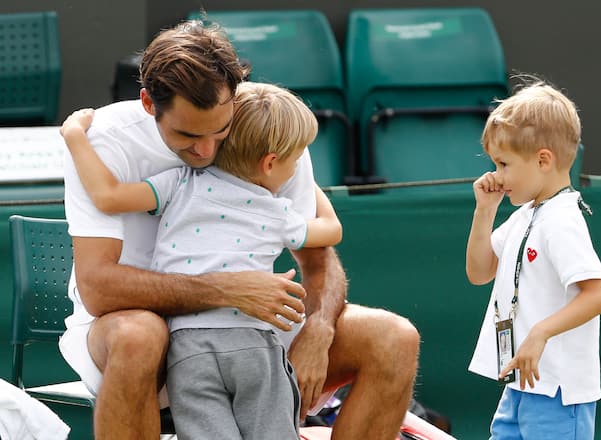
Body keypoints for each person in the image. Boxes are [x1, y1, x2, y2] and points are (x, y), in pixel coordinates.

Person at [58, 20, 419, 440]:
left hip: (251, 327)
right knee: (140, 334)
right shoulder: (104, 139)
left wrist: (318, 332)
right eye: (187, 135)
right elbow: (99, 288)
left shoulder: (270, 128)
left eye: (220, 131)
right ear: (147, 103)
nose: (206, 151)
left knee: (393, 338)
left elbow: (320, 260)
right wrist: (227, 290)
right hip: (137, 329)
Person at [61, 81, 343, 439]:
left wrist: (73, 136)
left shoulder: (180, 183)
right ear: (270, 161)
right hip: (255, 348)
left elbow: (107, 195)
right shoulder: (278, 213)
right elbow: (331, 231)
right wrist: (311, 193)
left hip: (189, 350)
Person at [465, 80, 601, 439]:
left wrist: (540, 333)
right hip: (521, 384)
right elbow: (479, 272)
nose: (496, 175)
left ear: (543, 160)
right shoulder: (526, 214)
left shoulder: (561, 221)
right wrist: (484, 212)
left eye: (503, 163)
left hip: (559, 391)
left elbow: (599, 295)